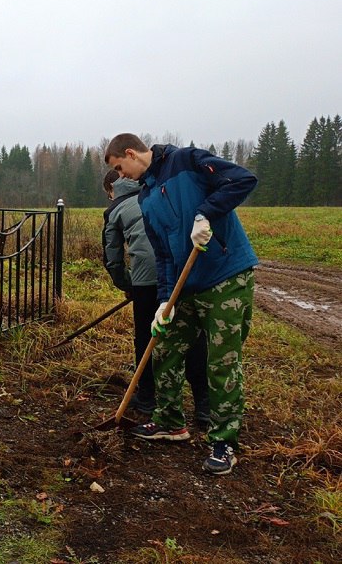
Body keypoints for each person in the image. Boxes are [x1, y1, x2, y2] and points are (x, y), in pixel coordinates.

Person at [104, 134, 258, 475]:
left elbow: (243, 179)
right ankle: (171, 423)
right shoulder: (145, 196)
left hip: (225, 276)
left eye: (120, 167)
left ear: (130, 153)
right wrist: (164, 302)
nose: (122, 175)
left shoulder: (186, 161)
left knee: (221, 361)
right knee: (165, 347)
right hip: (184, 286)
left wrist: (206, 214)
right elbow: (163, 255)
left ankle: (225, 442)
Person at [101, 170, 209, 422]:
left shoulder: (115, 210)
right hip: (182, 274)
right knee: (193, 337)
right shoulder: (158, 193)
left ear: (110, 189)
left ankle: (147, 398)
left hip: (147, 279)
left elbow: (113, 258)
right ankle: (204, 406)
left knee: (146, 337)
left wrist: (128, 284)